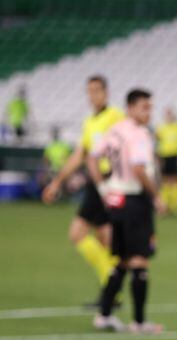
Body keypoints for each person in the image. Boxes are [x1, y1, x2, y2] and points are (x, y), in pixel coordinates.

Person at [42, 76, 124, 307]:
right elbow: (80, 154)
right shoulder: (90, 122)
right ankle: (112, 293)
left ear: (106, 92)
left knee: (77, 233)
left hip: (108, 181)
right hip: (96, 182)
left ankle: (111, 280)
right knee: (104, 238)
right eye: (89, 91)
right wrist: (57, 182)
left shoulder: (115, 116)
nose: (93, 95)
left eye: (97, 90)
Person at [87, 89, 162, 333]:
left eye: (150, 107)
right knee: (140, 260)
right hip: (134, 200)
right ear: (130, 108)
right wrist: (156, 196)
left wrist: (103, 187)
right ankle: (139, 322)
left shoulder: (115, 129)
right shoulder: (139, 134)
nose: (148, 112)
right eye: (144, 107)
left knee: (122, 260)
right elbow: (139, 168)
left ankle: (105, 314)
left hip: (116, 199)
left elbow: (92, 157)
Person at [155, 107, 177, 215]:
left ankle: (176, 204)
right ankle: (165, 205)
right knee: (165, 181)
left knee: (176, 180)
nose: (169, 115)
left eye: (170, 113)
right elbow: (157, 141)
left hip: (175, 155)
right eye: (167, 113)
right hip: (164, 155)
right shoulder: (161, 127)